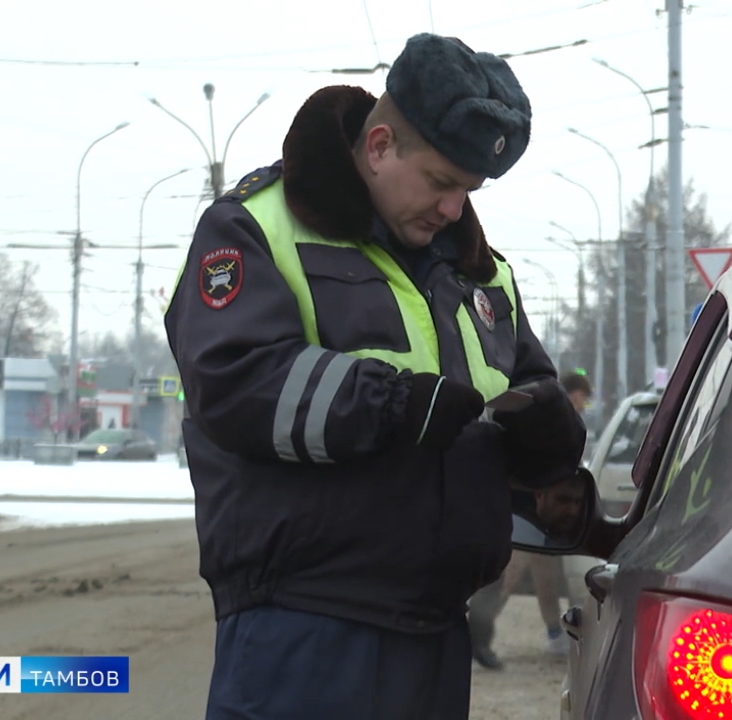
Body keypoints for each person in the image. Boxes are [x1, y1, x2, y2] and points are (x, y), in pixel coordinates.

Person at [165, 33, 586, 720]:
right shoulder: (254, 227)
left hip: (434, 632)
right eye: (441, 182)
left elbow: (529, 389)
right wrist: (393, 404)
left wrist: (549, 433)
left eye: (468, 190)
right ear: (380, 146)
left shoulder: (480, 273)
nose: (454, 209)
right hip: (302, 630)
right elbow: (234, 380)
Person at [467, 372, 593, 669]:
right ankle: (478, 635)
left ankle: (553, 634)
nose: (583, 405)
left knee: (545, 580)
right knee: (507, 576)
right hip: (530, 515)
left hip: (546, 517)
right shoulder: (553, 424)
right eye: (582, 398)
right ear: (572, 393)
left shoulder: (564, 426)